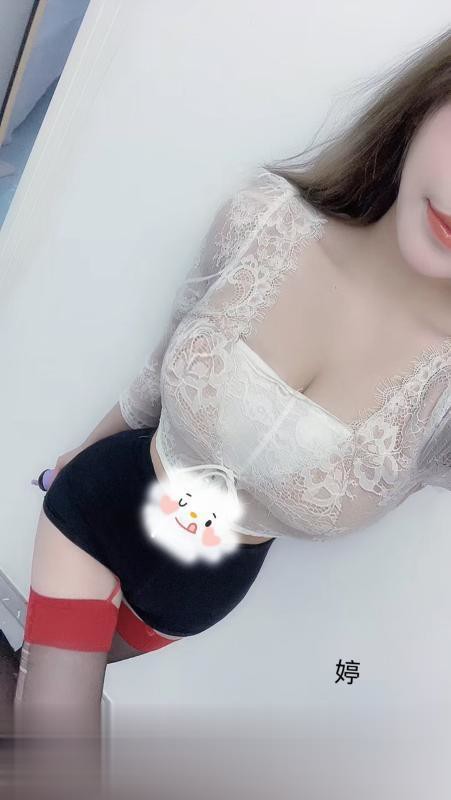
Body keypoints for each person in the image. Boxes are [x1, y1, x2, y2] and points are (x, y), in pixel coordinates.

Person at [10, 24, 451, 765]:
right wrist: (77, 457)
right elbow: (159, 369)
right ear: (429, 102)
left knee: (37, 695)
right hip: (104, 505)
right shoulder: (263, 221)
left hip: (190, 600)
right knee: (55, 743)